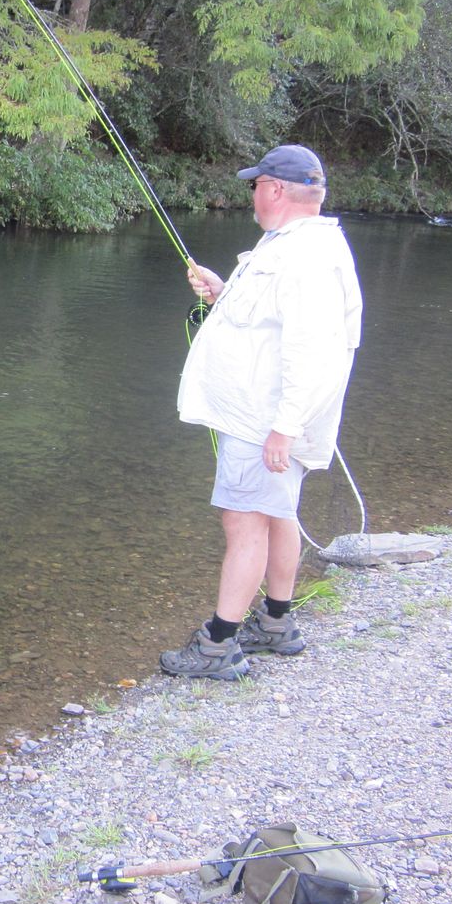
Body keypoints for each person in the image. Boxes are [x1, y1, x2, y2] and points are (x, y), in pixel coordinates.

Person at [159, 144, 363, 681]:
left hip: (264, 423)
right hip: (266, 419)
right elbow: (277, 325)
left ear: (274, 189)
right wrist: (222, 291)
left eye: (255, 184)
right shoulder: (291, 246)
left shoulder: (307, 257)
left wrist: (284, 428)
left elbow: (314, 350)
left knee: (243, 522)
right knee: (277, 516)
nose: (250, 192)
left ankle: (218, 644)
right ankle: (275, 622)